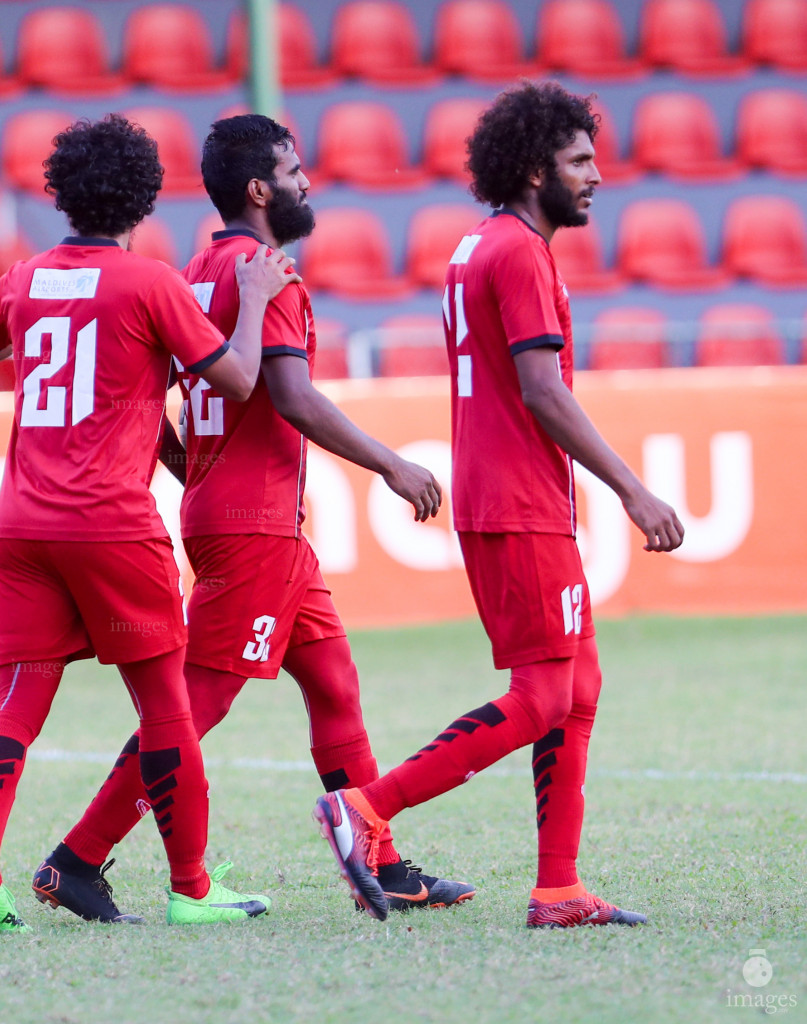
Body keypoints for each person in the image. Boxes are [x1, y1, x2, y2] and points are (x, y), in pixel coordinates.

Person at [33, 114, 475, 924]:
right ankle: (77, 857)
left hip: (246, 516)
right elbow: (290, 395)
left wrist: (188, 471)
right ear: (259, 188)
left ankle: (382, 858)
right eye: (294, 168)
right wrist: (391, 463)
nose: (307, 181)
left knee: (335, 685)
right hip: (252, 523)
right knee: (191, 709)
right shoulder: (263, 271)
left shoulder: (193, 270)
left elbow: (152, 395)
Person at [313, 82, 684, 927]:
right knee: (542, 697)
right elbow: (542, 392)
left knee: (576, 685)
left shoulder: (477, 245)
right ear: (530, 169)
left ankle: (557, 888)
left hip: (510, 494)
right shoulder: (518, 253)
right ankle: (365, 808)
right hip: (517, 499)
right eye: (578, 161)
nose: (596, 175)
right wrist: (631, 490)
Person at [0, 114, 295, 933]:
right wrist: (250, 299)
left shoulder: (25, 277)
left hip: (23, 526)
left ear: (62, 193)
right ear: (144, 197)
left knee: (16, 707)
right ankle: (190, 890)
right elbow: (242, 380)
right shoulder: (149, 284)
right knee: (167, 712)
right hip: (110, 525)